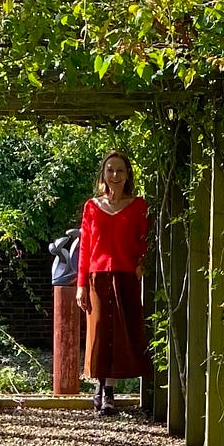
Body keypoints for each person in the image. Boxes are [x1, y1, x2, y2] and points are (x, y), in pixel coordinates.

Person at [76, 150, 150, 416]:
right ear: (103, 174)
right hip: (98, 276)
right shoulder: (92, 207)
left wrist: (142, 263)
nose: (115, 175)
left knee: (120, 333)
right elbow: (85, 247)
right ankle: (100, 387)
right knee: (99, 331)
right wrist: (81, 284)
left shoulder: (139, 206)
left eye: (120, 170)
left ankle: (108, 392)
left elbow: (145, 239)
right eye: (110, 170)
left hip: (126, 276)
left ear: (127, 174)